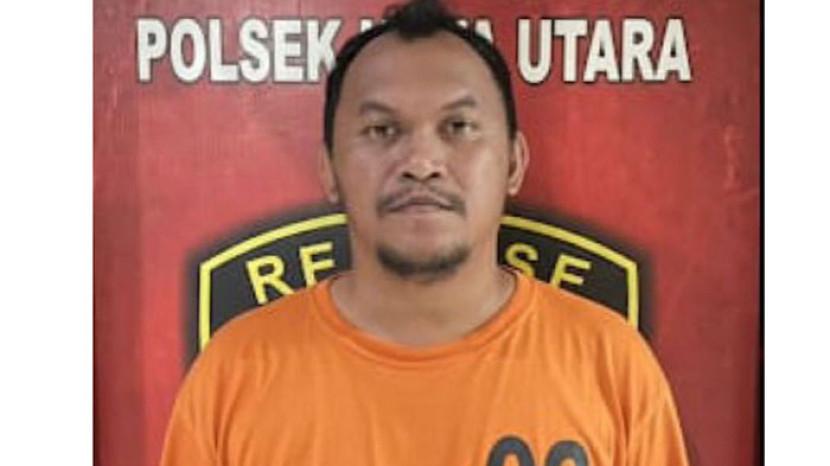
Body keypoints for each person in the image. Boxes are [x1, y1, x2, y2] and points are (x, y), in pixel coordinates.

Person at [160, 1, 690, 465]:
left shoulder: (611, 368)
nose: (420, 162)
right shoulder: (234, 377)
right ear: (329, 169)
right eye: (381, 130)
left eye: (458, 127)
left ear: (513, 163)